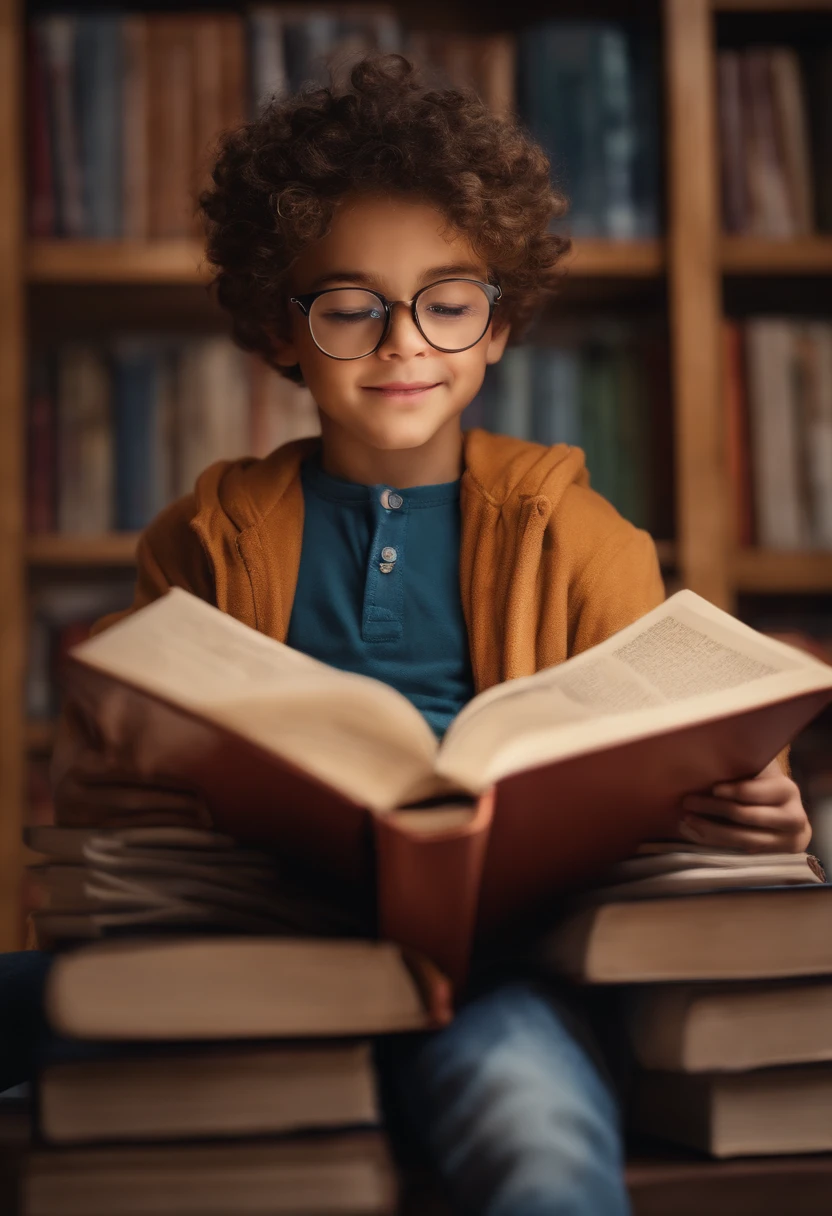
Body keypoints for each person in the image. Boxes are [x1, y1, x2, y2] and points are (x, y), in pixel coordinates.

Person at [20, 57, 811, 1214]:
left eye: (448, 302)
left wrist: (765, 804)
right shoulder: (203, 537)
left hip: (503, 975)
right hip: (258, 957)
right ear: (280, 331)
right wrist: (97, 792)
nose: (404, 343)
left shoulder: (586, 542)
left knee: (531, 1132)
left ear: (498, 328)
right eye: (350, 306)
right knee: (114, 1098)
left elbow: (707, 750)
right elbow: (123, 781)